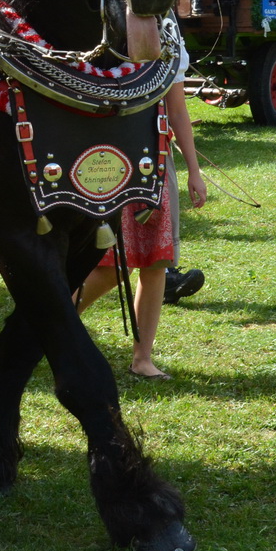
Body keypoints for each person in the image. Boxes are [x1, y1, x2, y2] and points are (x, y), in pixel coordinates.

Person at [74, 68, 208, 379]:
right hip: (107, 159)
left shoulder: (170, 44)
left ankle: (142, 359)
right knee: (109, 266)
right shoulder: (105, 37)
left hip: (155, 159)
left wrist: (194, 170)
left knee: (155, 261)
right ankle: (51, 327)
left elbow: (177, 109)